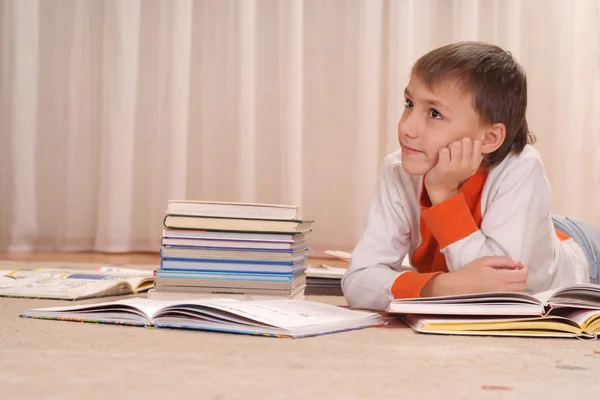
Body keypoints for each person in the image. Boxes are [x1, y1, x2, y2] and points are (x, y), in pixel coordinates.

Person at [341, 41, 600, 311]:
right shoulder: (399, 170)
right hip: (526, 230)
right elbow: (358, 280)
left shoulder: (522, 167)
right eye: (409, 103)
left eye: (434, 113)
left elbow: (496, 288)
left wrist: (443, 194)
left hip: (584, 254)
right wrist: (440, 287)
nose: (406, 127)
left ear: (489, 137)